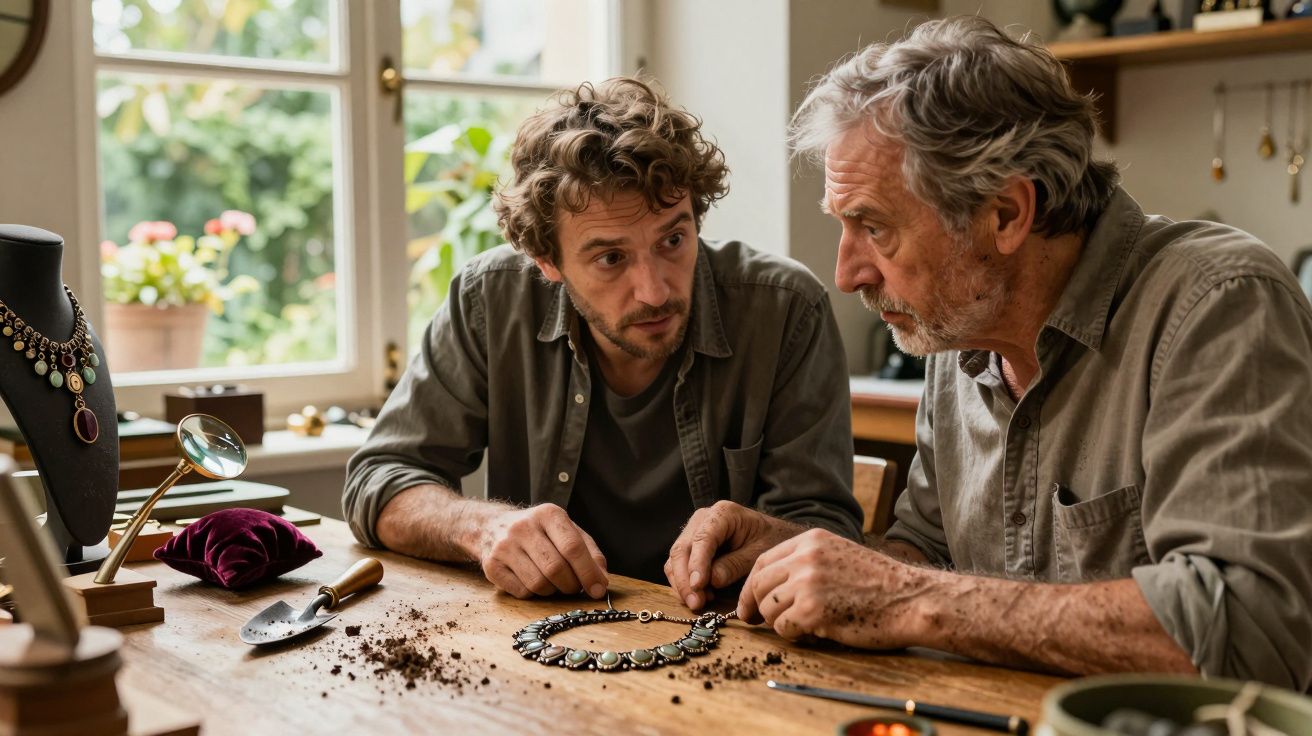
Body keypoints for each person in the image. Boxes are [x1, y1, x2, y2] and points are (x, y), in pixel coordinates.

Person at [737, 16, 1312, 690]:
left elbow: (1252, 632)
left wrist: (901, 596)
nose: (847, 274)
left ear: (1006, 215)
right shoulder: (960, 329)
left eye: (874, 227)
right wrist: (796, 560)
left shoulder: (1220, 305)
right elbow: (922, 555)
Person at [343, 77, 863, 606]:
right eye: (611, 258)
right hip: (539, 640)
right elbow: (378, 481)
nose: (655, 290)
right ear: (547, 261)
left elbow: (828, 532)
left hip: (725, 638)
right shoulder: (491, 299)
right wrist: (482, 528)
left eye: (674, 240)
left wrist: (765, 539)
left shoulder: (785, 310)